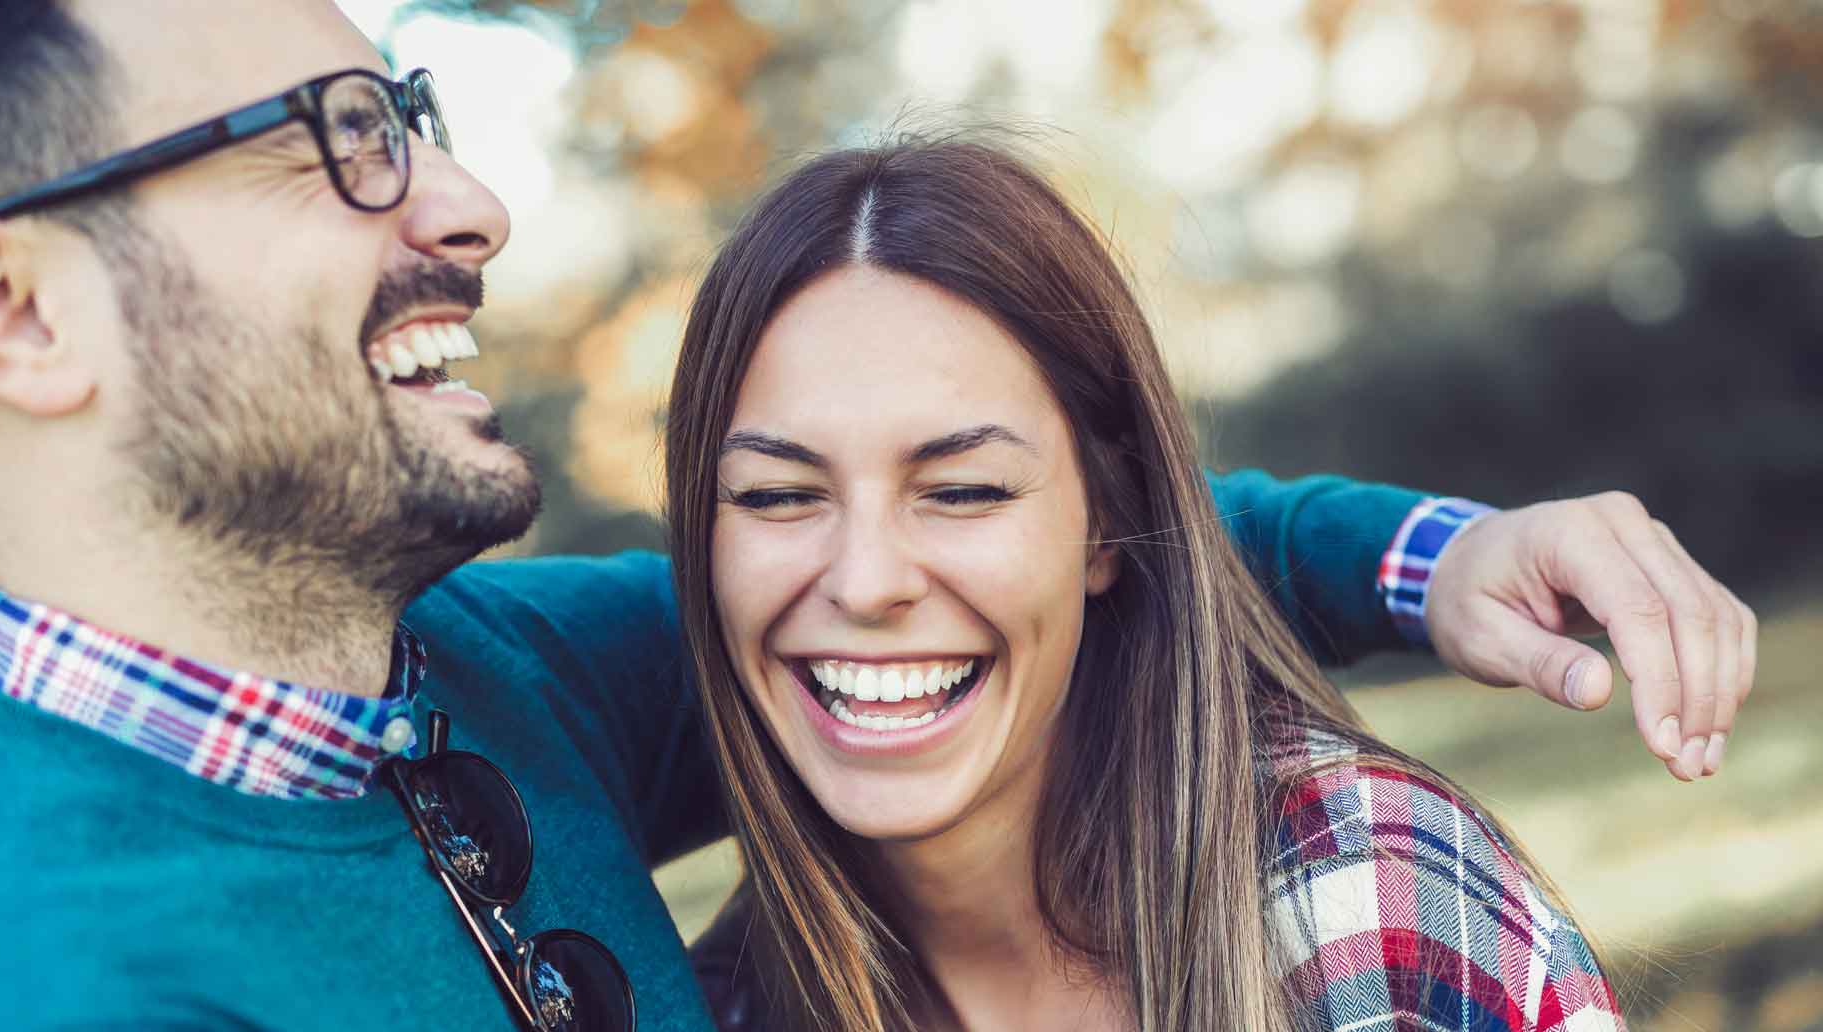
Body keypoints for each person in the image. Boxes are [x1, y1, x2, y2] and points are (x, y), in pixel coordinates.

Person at [0, 2, 1749, 1028]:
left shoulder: (495, 673)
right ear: (16, 313)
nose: (465, 205)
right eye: (342, 136)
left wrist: (1431, 560)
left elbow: (1039, 566)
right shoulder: (21, 980)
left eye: (419, 114)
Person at [672, 139, 1627, 1031]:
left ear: (1106, 526)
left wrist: (1445, 554)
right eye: (778, 495)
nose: (867, 581)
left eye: (962, 490)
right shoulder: (721, 1006)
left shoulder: (1378, 907)